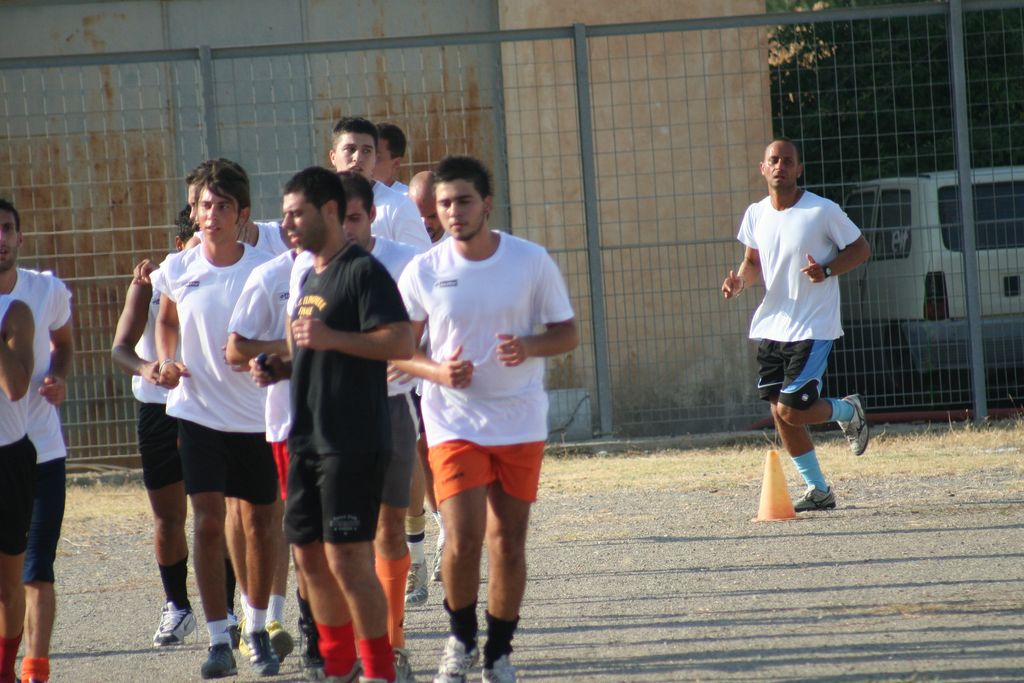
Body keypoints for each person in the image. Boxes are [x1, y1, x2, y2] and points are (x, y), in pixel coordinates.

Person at [394, 156, 579, 683]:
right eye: (444, 203)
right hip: (453, 421)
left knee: (508, 542)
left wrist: (529, 345)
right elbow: (400, 348)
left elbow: (566, 333)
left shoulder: (529, 261)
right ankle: (460, 641)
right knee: (462, 537)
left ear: (487, 204)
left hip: (519, 421)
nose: (453, 211)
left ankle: (498, 652)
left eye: (463, 201)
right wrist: (437, 370)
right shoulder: (423, 270)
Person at [252, 166, 414, 683]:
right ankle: (338, 667)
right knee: (308, 558)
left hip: (352, 440)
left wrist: (331, 339)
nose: (286, 224)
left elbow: (400, 341)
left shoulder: (363, 271)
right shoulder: (309, 276)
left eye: (296, 214)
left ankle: (379, 670)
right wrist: (282, 367)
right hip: (306, 439)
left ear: (329, 211)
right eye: (284, 215)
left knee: (347, 560)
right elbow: (314, 351)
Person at [152, 161, 280, 678]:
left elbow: (287, 332)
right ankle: (218, 639)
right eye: (205, 205)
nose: (211, 214)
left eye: (223, 206)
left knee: (260, 526)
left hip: (256, 416)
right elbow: (166, 319)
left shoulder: (267, 269)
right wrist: (167, 360)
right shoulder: (178, 267)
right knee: (206, 522)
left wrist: (263, 354)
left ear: (242, 214)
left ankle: (257, 628)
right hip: (198, 413)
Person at [721, 138, 872, 512]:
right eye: (773, 160)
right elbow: (752, 262)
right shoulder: (756, 213)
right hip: (773, 326)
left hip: (812, 327)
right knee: (780, 413)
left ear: (798, 169)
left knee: (791, 410)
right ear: (763, 168)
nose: (780, 166)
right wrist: (740, 283)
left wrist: (827, 270)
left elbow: (860, 249)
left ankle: (848, 411)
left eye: (788, 161)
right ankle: (818, 490)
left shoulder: (822, 210)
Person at [336, 171, 419, 680]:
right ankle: (347, 648)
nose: (345, 228)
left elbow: (428, 325)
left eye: (354, 217)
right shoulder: (306, 267)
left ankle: (393, 644)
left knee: (389, 525)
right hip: (333, 415)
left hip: (390, 408)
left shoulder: (406, 261)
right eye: (336, 218)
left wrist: (412, 358)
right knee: (344, 536)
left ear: (372, 215)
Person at [110, 208, 197, 647]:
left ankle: (231, 613)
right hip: (159, 410)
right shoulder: (152, 281)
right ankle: (177, 606)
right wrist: (148, 367)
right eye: (196, 239)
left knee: (221, 515)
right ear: (180, 245)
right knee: (168, 516)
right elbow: (120, 348)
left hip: (211, 410)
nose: (206, 247)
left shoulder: (237, 273)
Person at [223, 231, 305, 672]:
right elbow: (235, 349)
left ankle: (281, 619)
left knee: (296, 524)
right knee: (250, 517)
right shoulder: (269, 274)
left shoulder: (355, 269)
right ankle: (251, 616)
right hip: (247, 415)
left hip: (331, 418)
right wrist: (287, 349)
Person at [0, 199, 74, 683]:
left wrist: (60, 377)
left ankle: (35, 668)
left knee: (34, 567)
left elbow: (63, 345)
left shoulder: (43, 292)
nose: (0, 239)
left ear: (20, 237)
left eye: (7, 228)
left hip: (38, 449)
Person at [404, 170, 446, 600]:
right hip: (416, 373)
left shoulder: (458, 253)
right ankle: (442, 527)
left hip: (455, 379)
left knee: (441, 452)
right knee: (420, 453)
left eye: (433, 214)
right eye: (419, 214)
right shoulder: (408, 255)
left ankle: (451, 534)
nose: (427, 223)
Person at [0, 203, 35, 683]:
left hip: (9, 457)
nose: (0, 238)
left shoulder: (18, 312)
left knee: (9, 583)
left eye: (6, 228)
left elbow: (15, 386)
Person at [328, 117, 431, 253]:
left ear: (374, 158)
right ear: (333, 156)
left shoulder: (398, 207)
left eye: (367, 151)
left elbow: (422, 261)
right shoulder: (318, 206)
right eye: (350, 149)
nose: (358, 158)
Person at [374, 123, 410, 195]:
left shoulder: (406, 198)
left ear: (396, 163)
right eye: (367, 152)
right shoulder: (353, 196)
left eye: (376, 157)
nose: (367, 161)